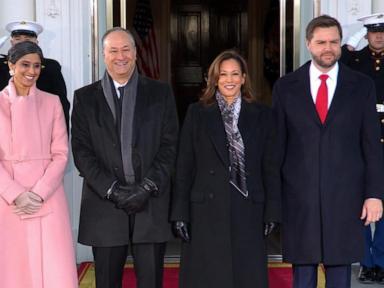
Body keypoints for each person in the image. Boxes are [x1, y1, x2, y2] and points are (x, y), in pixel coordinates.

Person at [273, 15, 384, 288]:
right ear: (309, 44)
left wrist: (374, 195)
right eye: (321, 42)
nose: (328, 48)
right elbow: (276, 148)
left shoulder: (362, 86)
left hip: (345, 197)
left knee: (339, 271)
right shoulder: (286, 87)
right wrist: (274, 201)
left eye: (334, 42)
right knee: (304, 271)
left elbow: (371, 145)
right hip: (300, 198)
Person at [71, 27, 179, 288]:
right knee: (107, 281)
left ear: (136, 53)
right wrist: (112, 191)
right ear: (104, 55)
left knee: (151, 281)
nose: (121, 56)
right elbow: (82, 152)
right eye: (113, 50)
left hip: (150, 203)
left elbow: (170, 145)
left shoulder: (160, 93)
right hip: (104, 205)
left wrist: (146, 187)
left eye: (126, 49)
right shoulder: (84, 98)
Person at [171, 50, 281, 288]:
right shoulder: (197, 113)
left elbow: (270, 167)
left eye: (234, 74)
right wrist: (179, 213)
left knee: (246, 275)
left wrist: (272, 210)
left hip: (248, 207)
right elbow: (184, 165)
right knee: (208, 276)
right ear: (214, 79)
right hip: (205, 210)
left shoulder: (262, 114)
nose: (229, 80)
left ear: (243, 78)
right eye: (223, 75)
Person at [0, 41, 77, 287]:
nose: (31, 71)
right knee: (15, 268)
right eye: (24, 64)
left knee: (53, 267)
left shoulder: (52, 102)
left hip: (48, 196)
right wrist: (15, 195)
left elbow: (61, 153)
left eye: (36, 66)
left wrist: (38, 193)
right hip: (8, 200)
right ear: (11, 66)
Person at [340, 13, 384, 283]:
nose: (378, 36)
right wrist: (353, 40)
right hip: (359, 139)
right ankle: (365, 260)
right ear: (366, 34)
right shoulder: (354, 60)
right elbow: (339, 64)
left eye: (382, 32)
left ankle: (380, 259)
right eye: (373, 32)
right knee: (359, 202)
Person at [0, 20, 70, 131]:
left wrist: (60, 137)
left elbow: (62, 106)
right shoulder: (2, 66)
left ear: (36, 42)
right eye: (18, 39)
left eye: (27, 40)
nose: (22, 44)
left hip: (39, 130)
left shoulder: (50, 67)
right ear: (11, 42)